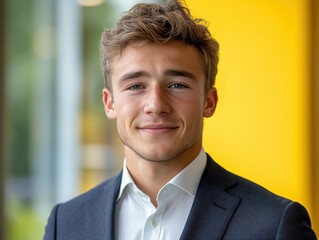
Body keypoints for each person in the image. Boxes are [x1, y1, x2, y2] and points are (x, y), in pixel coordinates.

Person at [43, 0, 317, 239]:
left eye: (177, 85)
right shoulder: (65, 223)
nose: (156, 105)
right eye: (135, 86)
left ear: (209, 102)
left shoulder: (275, 225)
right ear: (110, 102)